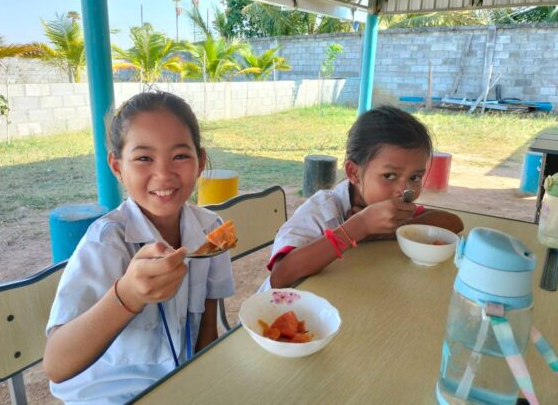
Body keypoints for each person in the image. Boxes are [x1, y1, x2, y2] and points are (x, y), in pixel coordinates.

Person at [44, 91, 234, 404]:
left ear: (200, 161)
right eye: (144, 158)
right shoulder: (106, 244)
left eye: (180, 156)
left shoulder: (211, 232)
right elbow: (56, 364)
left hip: (180, 384)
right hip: (109, 395)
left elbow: (207, 331)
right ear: (117, 167)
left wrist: (204, 386)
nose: (164, 174)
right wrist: (128, 295)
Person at [264, 105, 464, 290]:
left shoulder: (394, 208)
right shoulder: (322, 210)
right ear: (353, 172)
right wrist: (359, 226)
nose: (405, 190)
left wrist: (382, 233)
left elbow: (452, 222)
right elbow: (280, 276)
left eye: (415, 177)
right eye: (389, 176)